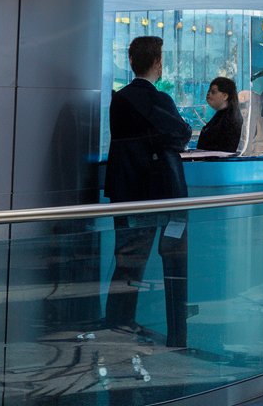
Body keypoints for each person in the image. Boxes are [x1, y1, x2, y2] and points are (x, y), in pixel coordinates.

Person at [104, 36, 192, 348]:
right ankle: (177, 334)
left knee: (127, 260)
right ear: (157, 63)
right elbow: (181, 133)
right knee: (174, 261)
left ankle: (118, 320)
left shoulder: (118, 99)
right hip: (159, 193)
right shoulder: (157, 99)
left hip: (126, 192)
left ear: (131, 62)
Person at [196, 76, 243, 153]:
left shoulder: (230, 119)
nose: (208, 94)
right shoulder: (221, 116)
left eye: (213, 92)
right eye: (208, 91)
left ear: (225, 96)